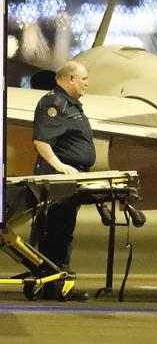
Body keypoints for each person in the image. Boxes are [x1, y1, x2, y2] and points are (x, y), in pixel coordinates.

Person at [32, 61, 94, 301]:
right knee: (53, 232)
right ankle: (50, 284)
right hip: (57, 178)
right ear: (70, 79)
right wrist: (59, 167)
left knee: (64, 231)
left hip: (71, 177)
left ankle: (60, 282)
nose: (87, 83)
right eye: (84, 78)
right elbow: (42, 140)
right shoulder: (54, 103)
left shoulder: (71, 104)